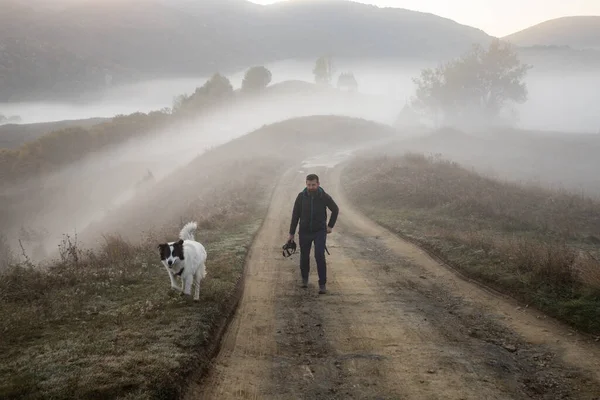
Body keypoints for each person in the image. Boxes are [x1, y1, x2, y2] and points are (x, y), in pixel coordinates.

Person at [288, 173, 339, 294]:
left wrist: (330, 226)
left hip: (319, 231)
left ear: (318, 184)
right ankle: (304, 280)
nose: (311, 187)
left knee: (319, 256)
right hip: (304, 232)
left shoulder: (324, 196)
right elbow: (295, 216)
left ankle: (322, 284)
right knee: (304, 256)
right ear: (306, 184)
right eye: (309, 185)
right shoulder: (301, 197)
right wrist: (291, 233)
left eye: (313, 185)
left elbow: (335, 209)